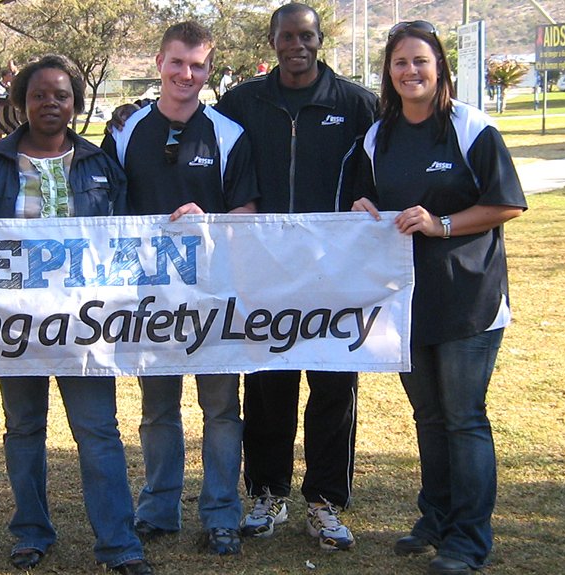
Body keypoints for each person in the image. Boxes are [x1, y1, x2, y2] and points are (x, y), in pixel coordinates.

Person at [0, 54, 152, 575]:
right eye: (40, 94)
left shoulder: (99, 165)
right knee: (24, 430)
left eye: (61, 95)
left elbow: (125, 241)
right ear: (22, 102)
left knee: (98, 430)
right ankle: (30, 532)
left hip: (85, 325)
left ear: (76, 103)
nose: (51, 103)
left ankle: (119, 544)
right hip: (14, 324)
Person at [351, 21, 526, 575]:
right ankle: (437, 517)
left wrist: (441, 223)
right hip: (408, 300)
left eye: (420, 61)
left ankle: (469, 541)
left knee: (464, 417)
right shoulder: (379, 136)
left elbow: (506, 204)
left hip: (469, 299)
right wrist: (363, 208)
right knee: (427, 415)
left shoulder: (472, 127)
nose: (410, 72)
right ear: (389, 72)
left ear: (440, 67)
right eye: (400, 63)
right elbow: (369, 199)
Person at [214, 2, 378, 550]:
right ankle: (266, 494)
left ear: (320, 39)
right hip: (263, 273)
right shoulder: (240, 103)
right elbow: (196, 128)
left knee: (333, 387)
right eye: (287, 36)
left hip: (337, 276)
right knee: (267, 387)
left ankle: (326, 502)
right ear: (273, 41)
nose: (297, 45)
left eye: (306, 36)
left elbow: (383, 169)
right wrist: (132, 111)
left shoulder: (357, 105)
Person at [101, 21, 258, 556]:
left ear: (209, 70)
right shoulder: (125, 129)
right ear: (159, 62)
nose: (185, 74)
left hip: (215, 296)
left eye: (197, 65)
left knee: (221, 410)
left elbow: (247, 214)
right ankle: (158, 507)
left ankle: (221, 513)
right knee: (157, 410)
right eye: (176, 63)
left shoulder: (228, 134)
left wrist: (208, 220)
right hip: (149, 300)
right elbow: (107, 207)